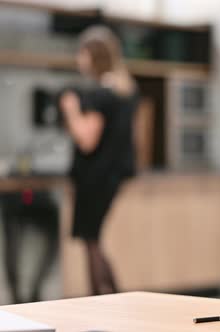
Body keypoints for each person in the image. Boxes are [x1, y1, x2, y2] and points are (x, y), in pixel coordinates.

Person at [60, 25, 138, 295]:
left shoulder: (99, 96)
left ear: (93, 57)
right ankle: (116, 299)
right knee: (95, 240)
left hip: (94, 178)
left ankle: (99, 302)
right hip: (113, 176)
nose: (79, 60)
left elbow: (87, 139)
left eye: (82, 54)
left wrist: (70, 110)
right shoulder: (125, 91)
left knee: (91, 240)